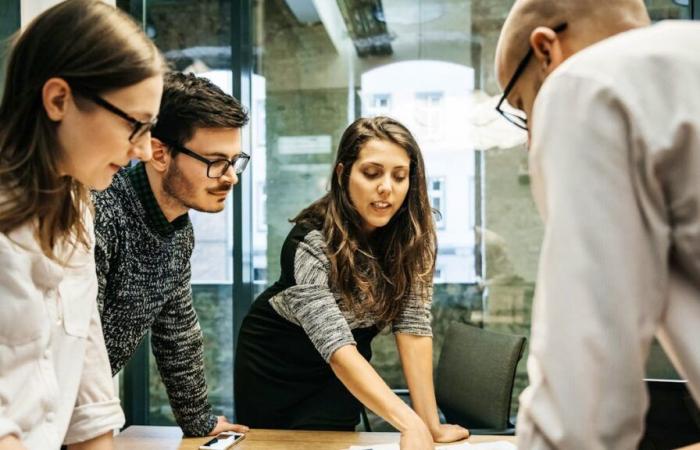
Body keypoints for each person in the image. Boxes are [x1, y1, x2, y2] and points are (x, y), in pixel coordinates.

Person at [494, 0, 700, 448]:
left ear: (547, 51)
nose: (532, 142)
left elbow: (583, 406)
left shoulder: (585, 83)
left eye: (525, 106)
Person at [234, 116, 469, 450]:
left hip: (345, 367)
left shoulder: (415, 239)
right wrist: (407, 422)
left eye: (399, 176)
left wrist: (429, 425)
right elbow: (334, 344)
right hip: (277, 362)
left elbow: (413, 327)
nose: (386, 187)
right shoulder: (310, 241)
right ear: (343, 174)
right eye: (372, 173)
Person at [0, 1, 164, 449]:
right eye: (136, 126)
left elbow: (87, 361)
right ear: (59, 100)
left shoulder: (76, 205)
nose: (145, 151)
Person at [93, 71, 250, 437]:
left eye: (235, 160)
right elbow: (76, 346)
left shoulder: (178, 229)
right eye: (215, 161)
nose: (231, 178)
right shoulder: (102, 212)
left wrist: (199, 422)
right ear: (160, 153)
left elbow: (176, 330)